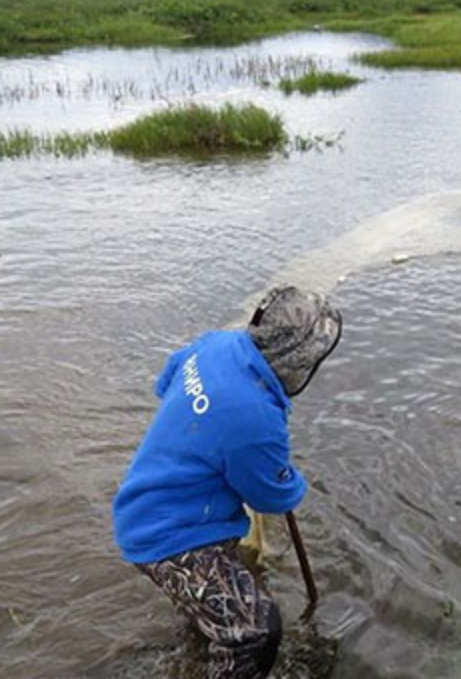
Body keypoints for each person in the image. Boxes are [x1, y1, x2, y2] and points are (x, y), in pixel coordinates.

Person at [112, 285, 342, 679]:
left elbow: (165, 383)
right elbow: (271, 496)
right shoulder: (255, 417)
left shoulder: (218, 345)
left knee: (220, 609)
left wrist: (206, 424)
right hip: (167, 536)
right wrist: (290, 478)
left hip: (143, 500)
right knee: (255, 629)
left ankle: (198, 648)